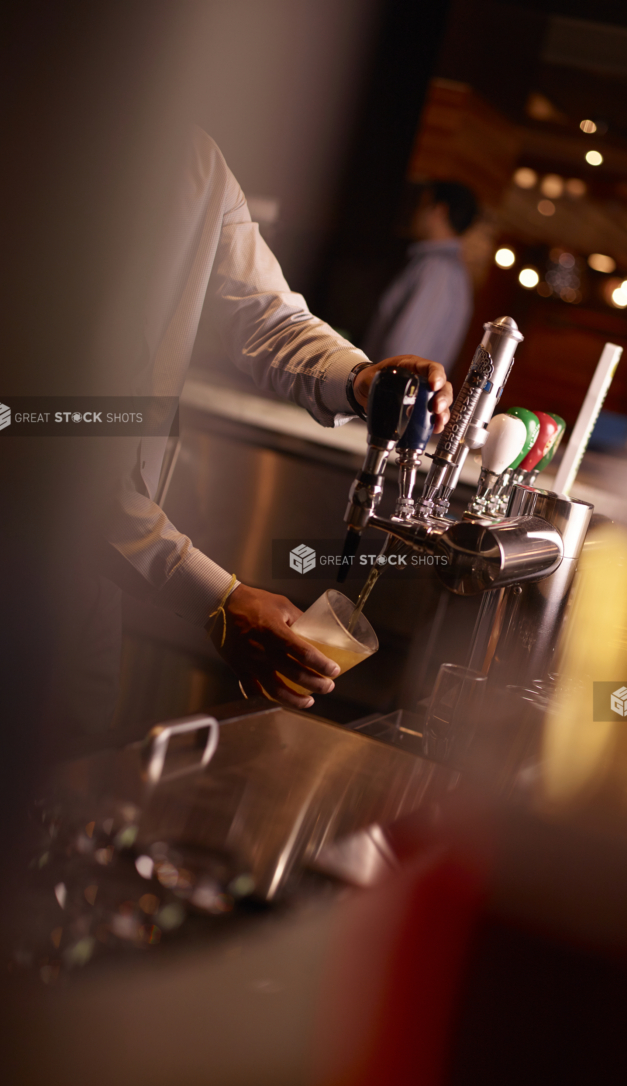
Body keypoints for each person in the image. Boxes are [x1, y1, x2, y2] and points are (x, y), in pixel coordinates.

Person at [97, 128, 452, 722]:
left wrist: (363, 379)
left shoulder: (195, 158)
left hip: (94, 578)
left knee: (65, 760)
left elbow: (265, 316)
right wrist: (218, 599)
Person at [363, 180, 477, 373]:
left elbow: (404, 354)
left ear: (439, 211)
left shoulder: (437, 270)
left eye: (422, 205)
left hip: (387, 393)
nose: (414, 213)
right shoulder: (444, 269)